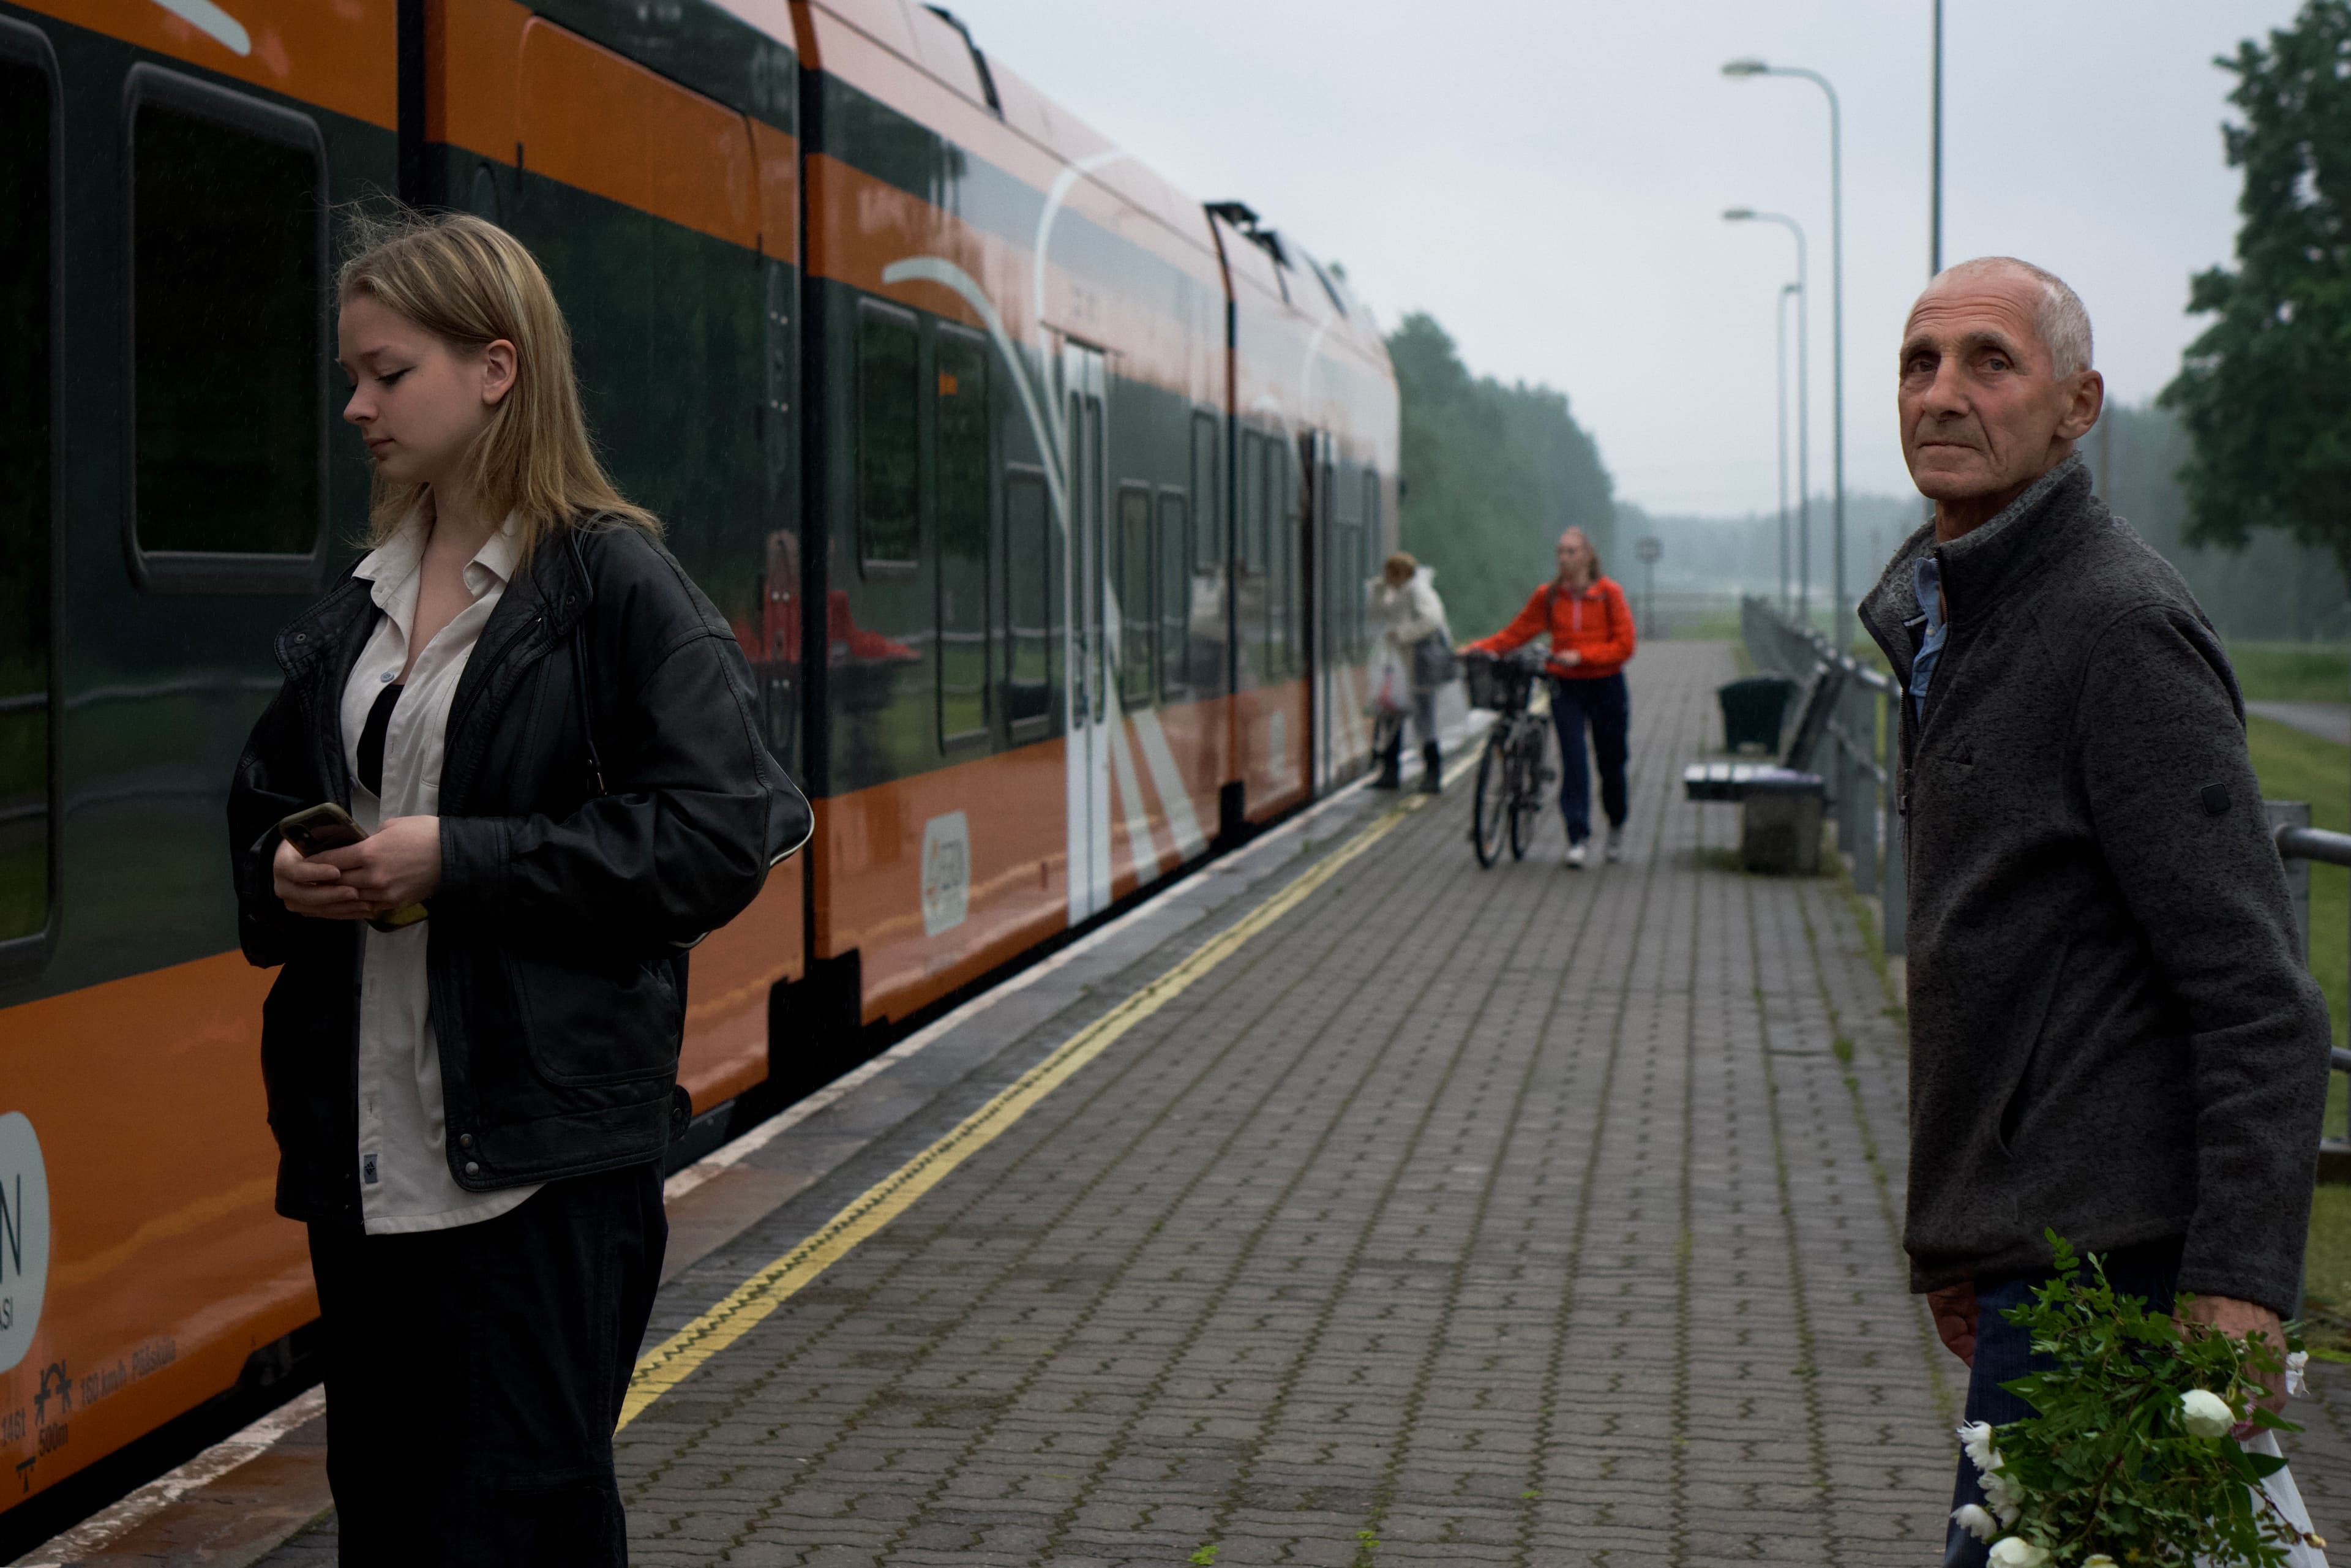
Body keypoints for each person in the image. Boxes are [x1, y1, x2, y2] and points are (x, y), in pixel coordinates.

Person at [226, 210, 810, 1566]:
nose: (359, 406)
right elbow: (263, 799)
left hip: (535, 1168)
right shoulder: (359, 602)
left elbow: (719, 832)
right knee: (390, 1519)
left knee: (523, 1524)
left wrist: (461, 856)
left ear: (497, 367)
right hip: (368, 1159)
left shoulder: (615, 585)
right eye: (351, 379)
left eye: (389, 372)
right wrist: (284, 867)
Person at [1855, 257, 2328, 1568]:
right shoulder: (1960, 612)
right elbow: (1999, 952)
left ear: (2078, 405)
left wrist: (2239, 1283)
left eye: (1990, 361)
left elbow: (2257, 990)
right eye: (1919, 359)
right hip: (2036, 1250)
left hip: (2114, 1277)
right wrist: (1958, 1231)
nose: (1944, 393)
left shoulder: (2114, 625)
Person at [1463, 527, 1635, 866]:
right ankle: (1578, 836)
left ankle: (1616, 824)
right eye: (1561, 552)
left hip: (1606, 685)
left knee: (1611, 762)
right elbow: (1517, 632)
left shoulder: (1608, 594)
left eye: (1572, 552)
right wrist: (1478, 649)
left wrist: (1584, 656)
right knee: (1573, 760)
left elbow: (1625, 645)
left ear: (1587, 556)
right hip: (1566, 686)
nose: (1565, 558)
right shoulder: (1550, 595)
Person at [1367, 550, 1451, 793]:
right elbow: (1376, 614)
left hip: (1418, 664)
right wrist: (1378, 591)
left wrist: (1403, 634)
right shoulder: (1399, 591)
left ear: (1400, 573)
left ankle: (1432, 772)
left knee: (1424, 717)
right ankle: (1390, 771)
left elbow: (1433, 619)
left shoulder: (1418, 590)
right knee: (1391, 711)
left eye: (1390, 573)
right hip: (1398, 664)